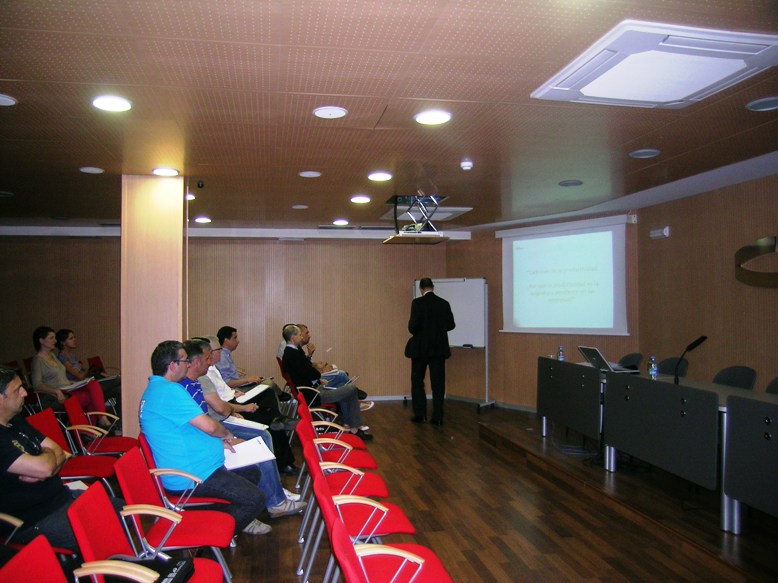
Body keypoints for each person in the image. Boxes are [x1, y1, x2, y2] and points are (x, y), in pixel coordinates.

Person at [139, 340, 269, 536]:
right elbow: (210, 426)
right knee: (255, 499)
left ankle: (226, 522)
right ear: (172, 365)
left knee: (251, 473)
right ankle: (208, 537)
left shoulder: (158, 389)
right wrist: (227, 435)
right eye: (185, 361)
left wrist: (219, 442)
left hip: (200, 466)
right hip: (192, 477)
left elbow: (190, 429)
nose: (188, 365)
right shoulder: (169, 391)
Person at [0, 366, 123, 550]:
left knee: (124, 512)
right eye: (17, 390)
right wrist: (47, 463)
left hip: (62, 497)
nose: (25, 393)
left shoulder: (16, 421)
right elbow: (46, 467)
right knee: (105, 531)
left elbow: (60, 452)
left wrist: (46, 463)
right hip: (35, 519)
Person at [179, 339, 305, 511]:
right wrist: (227, 434)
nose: (210, 361)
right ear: (196, 361)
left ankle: (275, 492)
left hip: (220, 422)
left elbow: (216, 409)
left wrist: (230, 413)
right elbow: (217, 413)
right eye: (207, 357)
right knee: (261, 436)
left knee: (265, 426)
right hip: (216, 429)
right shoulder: (193, 383)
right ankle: (275, 499)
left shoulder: (197, 380)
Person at [196, 335, 298, 475]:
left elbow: (222, 391)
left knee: (267, 397)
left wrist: (233, 393)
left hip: (231, 403)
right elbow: (220, 407)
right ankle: (282, 465)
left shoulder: (212, 369)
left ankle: (278, 422)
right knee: (267, 424)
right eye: (218, 350)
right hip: (229, 410)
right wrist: (241, 408)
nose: (220, 352)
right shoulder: (203, 376)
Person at [282, 325, 372, 440]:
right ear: (293, 338)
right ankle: (355, 426)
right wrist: (318, 377)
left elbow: (307, 370)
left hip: (314, 388)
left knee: (343, 387)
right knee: (352, 388)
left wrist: (317, 377)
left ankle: (351, 427)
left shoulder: (292, 351)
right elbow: (310, 372)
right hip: (315, 394)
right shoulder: (292, 354)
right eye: (299, 335)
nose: (301, 337)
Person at [30, 326, 110, 426]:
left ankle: (100, 420)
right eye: (51, 338)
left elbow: (60, 376)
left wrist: (71, 382)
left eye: (54, 338)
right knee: (89, 397)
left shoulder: (53, 356)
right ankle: (92, 426)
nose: (55, 341)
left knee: (92, 384)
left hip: (67, 387)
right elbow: (37, 385)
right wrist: (56, 391)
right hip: (57, 394)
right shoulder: (37, 361)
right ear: (41, 341)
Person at [405, 278, 456, 426]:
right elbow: (451, 325)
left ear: (421, 289)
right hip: (439, 349)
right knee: (438, 383)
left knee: (417, 381)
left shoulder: (417, 303)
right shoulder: (444, 303)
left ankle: (420, 415)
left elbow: (412, 326)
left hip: (420, 349)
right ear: (433, 287)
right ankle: (438, 416)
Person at [55, 328, 121, 414]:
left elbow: (83, 370)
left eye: (74, 337)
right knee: (118, 380)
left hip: (87, 382)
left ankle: (120, 418)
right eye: (71, 338)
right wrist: (90, 370)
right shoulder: (62, 358)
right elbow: (80, 376)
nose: (74, 340)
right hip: (80, 386)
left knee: (119, 389)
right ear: (63, 342)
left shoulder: (73, 355)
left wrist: (96, 372)